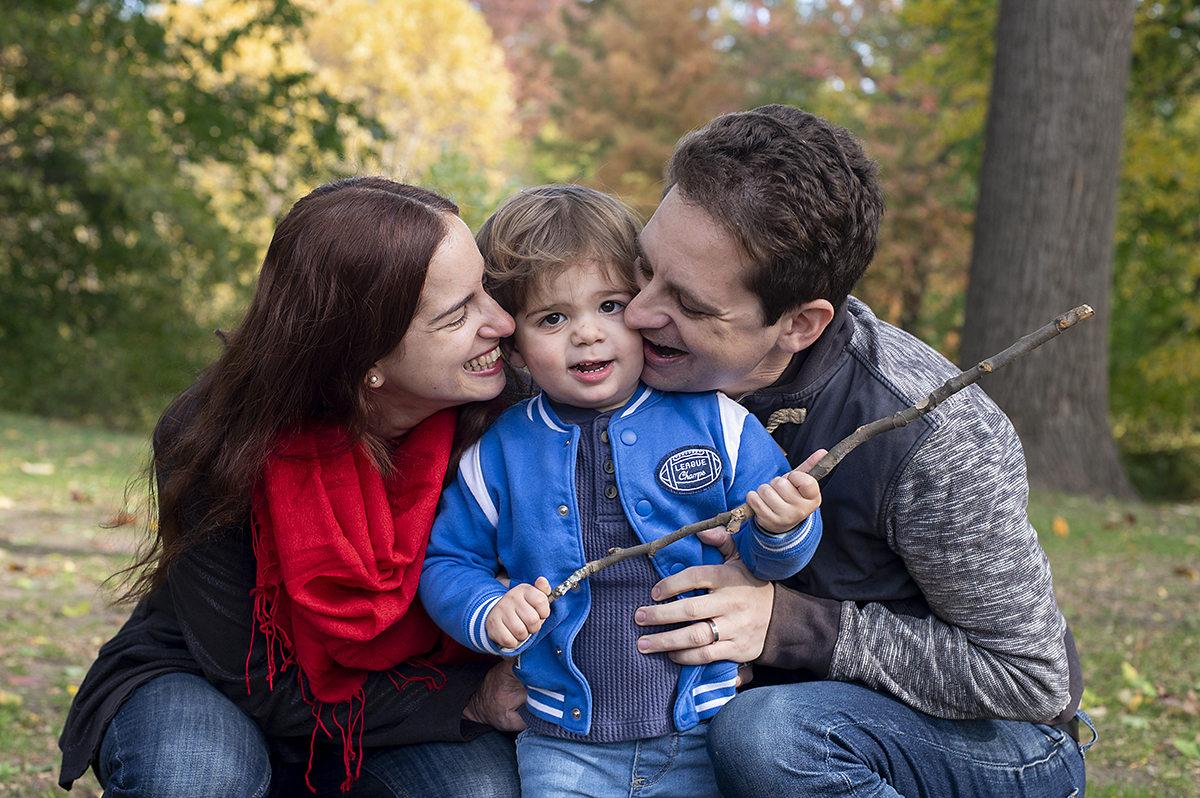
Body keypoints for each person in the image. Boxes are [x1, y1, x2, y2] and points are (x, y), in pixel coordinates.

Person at [624, 106, 1095, 796]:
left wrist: (790, 626)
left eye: (690, 307)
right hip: (728, 713)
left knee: (769, 736)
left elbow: (1031, 679)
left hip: (981, 743)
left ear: (800, 324)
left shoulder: (930, 437)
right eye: (642, 269)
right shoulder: (618, 364)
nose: (638, 312)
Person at [58, 177, 527, 797]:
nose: (502, 322)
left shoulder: (513, 421)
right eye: (458, 314)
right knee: (196, 777)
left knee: (480, 791)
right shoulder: (222, 436)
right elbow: (252, 679)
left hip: (412, 689)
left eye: (485, 289)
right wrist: (473, 702)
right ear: (366, 359)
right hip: (212, 675)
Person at [418, 184, 825, 798]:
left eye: (610, 305)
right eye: (552, 318)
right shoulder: (501, 452)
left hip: (702, 726)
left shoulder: (718, 423)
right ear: (516, 346)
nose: (587, 334)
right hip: (562, 742)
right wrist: (488, 609)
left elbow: (769, 562)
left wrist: (782, 526)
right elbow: (449, 560)